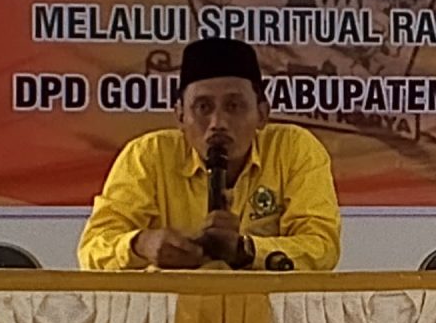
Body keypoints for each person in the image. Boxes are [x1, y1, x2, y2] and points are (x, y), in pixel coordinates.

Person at [78, 37, 341, 271]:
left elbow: (322, 247)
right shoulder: (148, 156)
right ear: (180, 116)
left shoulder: (294, 150)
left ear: (262, 114)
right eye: (203, 107)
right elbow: (93, 249)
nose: (218, 123)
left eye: (233, 106)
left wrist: (245, 250)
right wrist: (141, 245)